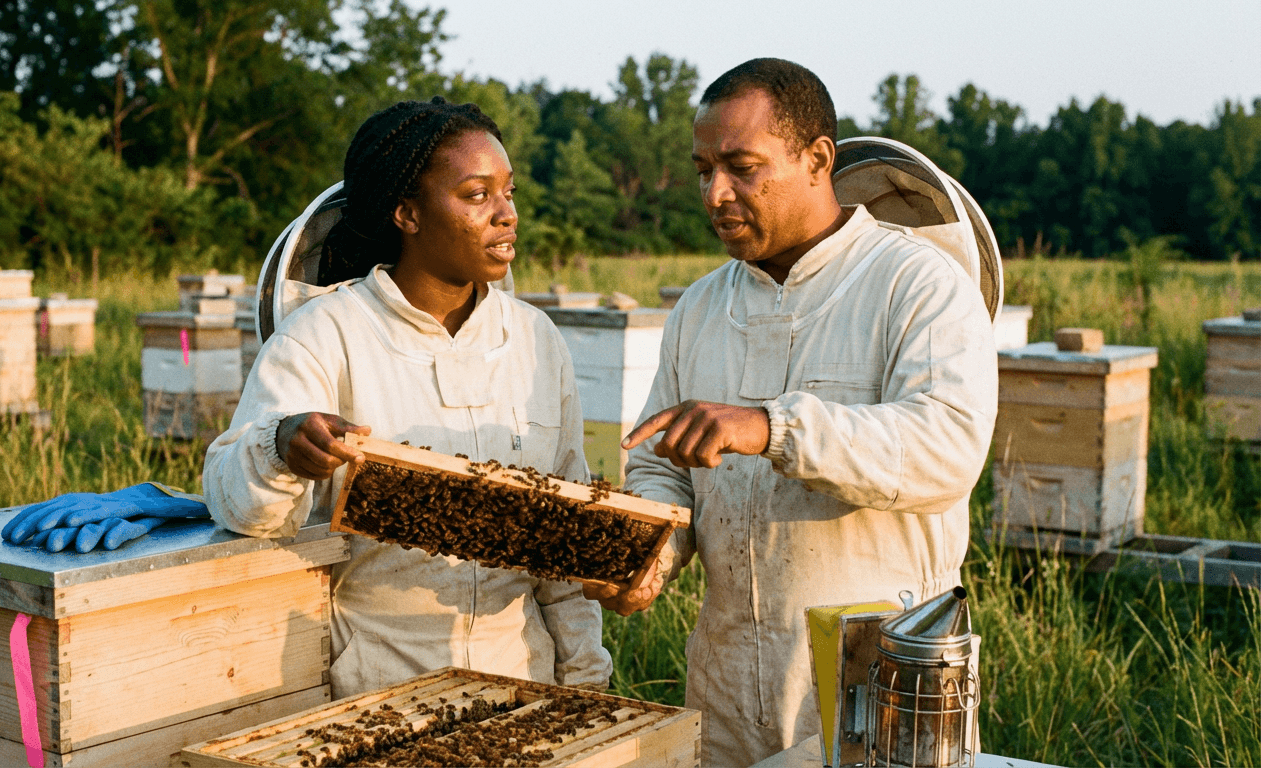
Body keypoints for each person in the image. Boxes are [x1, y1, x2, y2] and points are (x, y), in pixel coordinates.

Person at [586, 59, 998, 766]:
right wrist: (651, 552)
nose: (715, 193)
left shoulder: (916, 283)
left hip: (881, 681)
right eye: (702, 169)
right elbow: (664, 465)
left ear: (817, 159)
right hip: (723, 681)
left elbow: (948, 447)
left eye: (742, 167)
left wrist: (773, 428)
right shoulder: (700, 306)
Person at [203, 97, 612, 698]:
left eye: (509, 192)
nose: (506, 214)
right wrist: (282, 446)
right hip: (375, 684)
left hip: (521, 678)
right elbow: (236, 503)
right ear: (407, 214)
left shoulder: (535, 338)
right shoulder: (326, 332)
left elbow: (563, 543)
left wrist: (584, 680)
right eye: (477, 195)